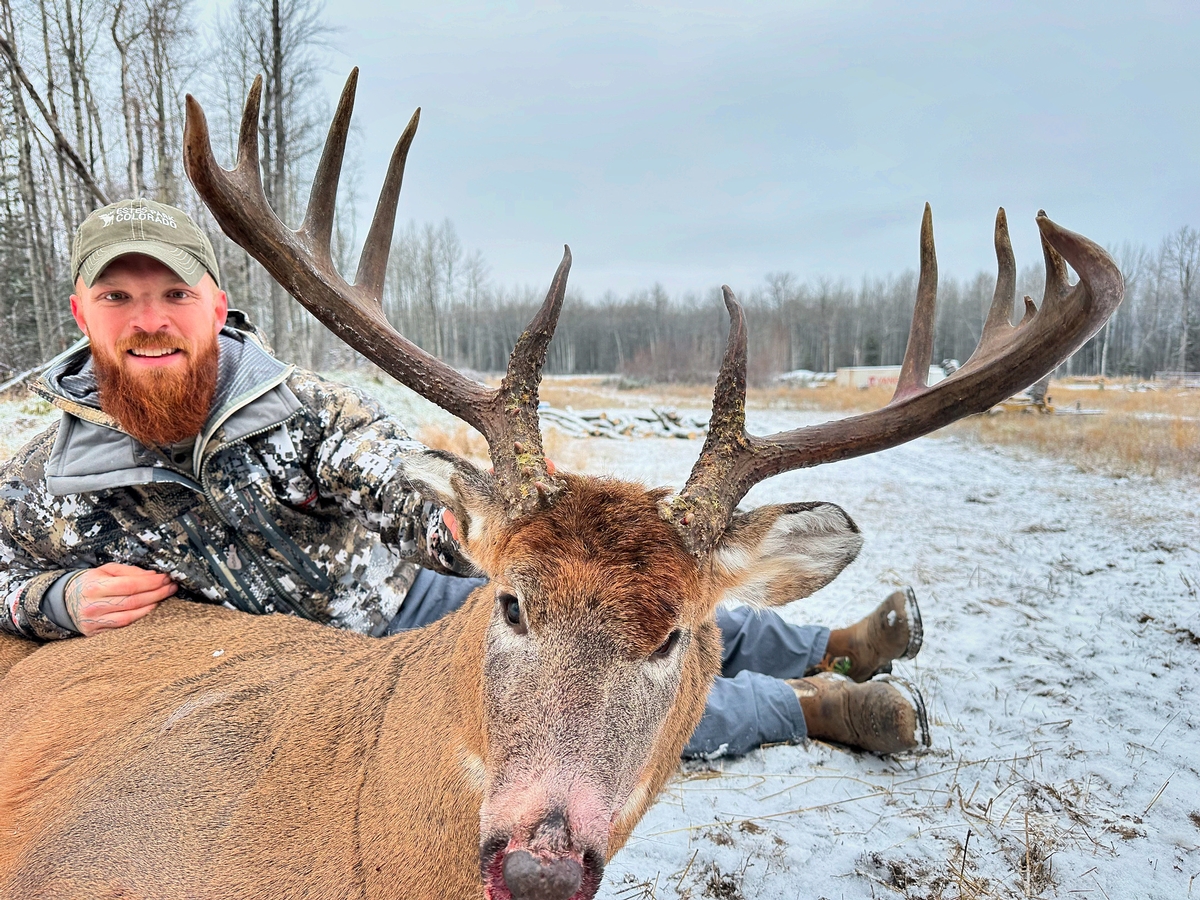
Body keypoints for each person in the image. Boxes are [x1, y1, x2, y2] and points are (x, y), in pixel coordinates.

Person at [0, 198, 928, 757]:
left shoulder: (305, 410)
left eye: (172, 295)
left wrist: (495, 530)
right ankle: (813, 707)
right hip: (317, 681)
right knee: (582, 701)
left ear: (218, 307)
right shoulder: (44, 472)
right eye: (119, 297)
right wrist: (58, 597)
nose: (148, 320)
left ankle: (828, 640)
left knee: (621, 607)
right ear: (83, 311)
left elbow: (391, 479)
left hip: (407, 602)